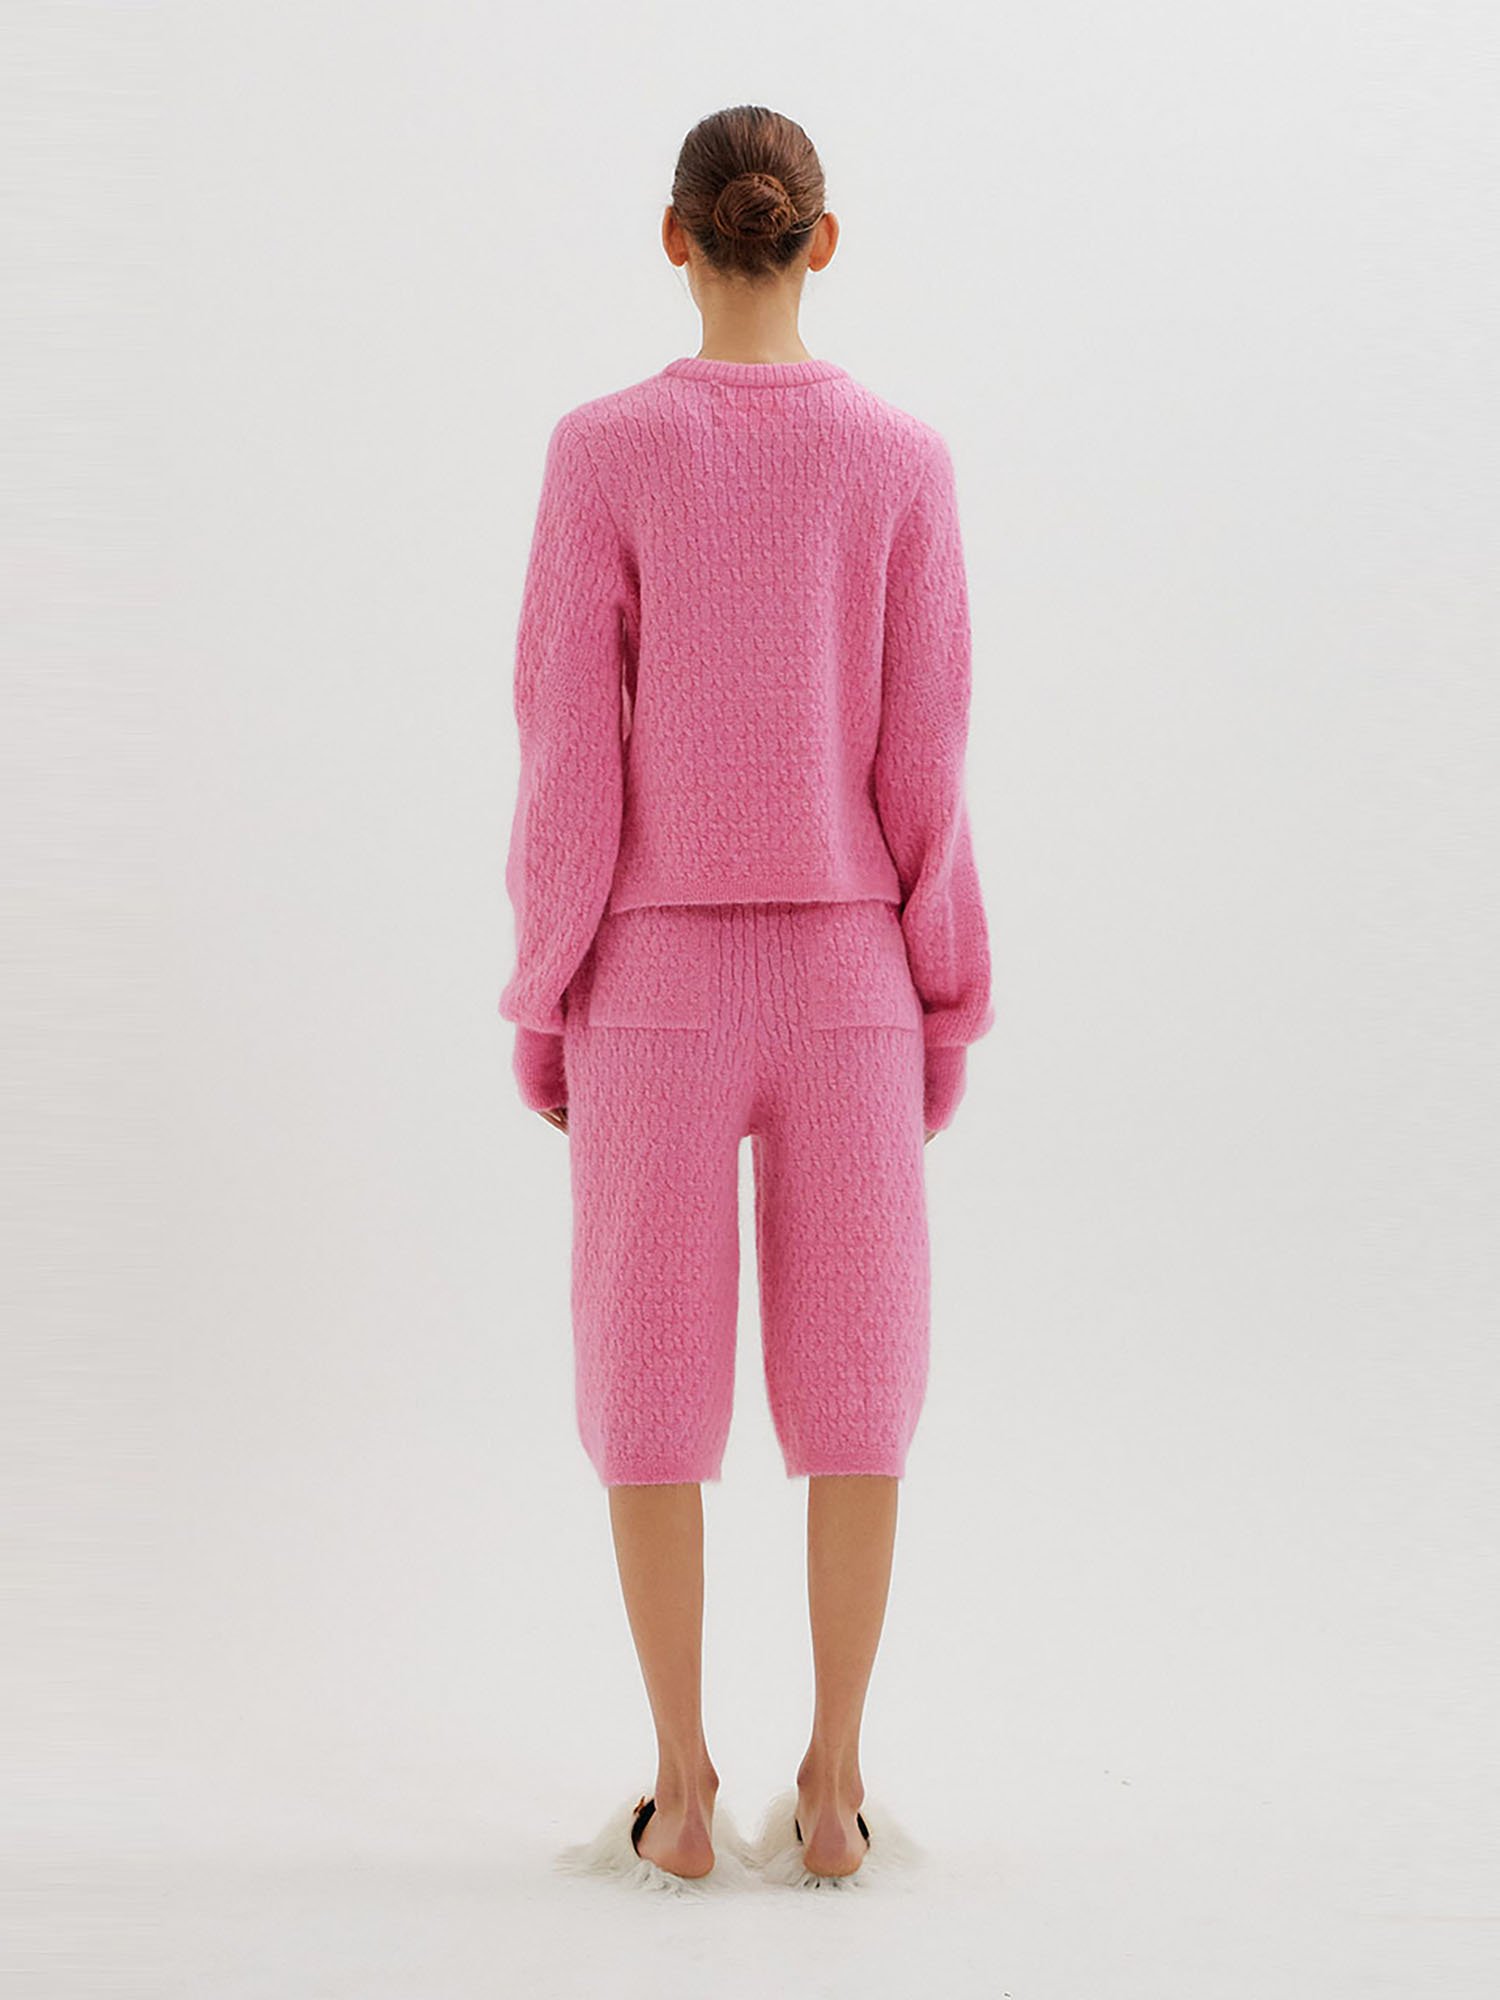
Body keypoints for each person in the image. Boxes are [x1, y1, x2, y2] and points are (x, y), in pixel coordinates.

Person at [497, 104, 994, 1883]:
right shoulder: (903, 459)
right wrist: (942, 996)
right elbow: (929, 757)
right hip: (851, 975)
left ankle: (684, 1791)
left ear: (675, 238)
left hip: (651, 978)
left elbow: (566, 748)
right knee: (860, 1383)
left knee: (647, 1379)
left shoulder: (601, 453)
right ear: (820, 241)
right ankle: (837, 1789)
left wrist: (545, 988)